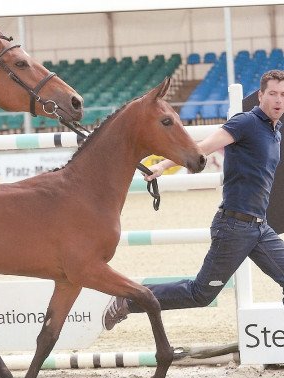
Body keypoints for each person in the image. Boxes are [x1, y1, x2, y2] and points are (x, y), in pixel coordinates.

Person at [103, 69, 284, 330]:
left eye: (282, 95)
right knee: (200, 294)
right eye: (273, 94)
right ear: (260, 96)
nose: (278, 100)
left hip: (259, 227)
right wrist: (164, 166)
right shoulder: (246, 123)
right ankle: (129, 300)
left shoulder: (274, 131)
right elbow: (204, 146)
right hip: (234, 227)